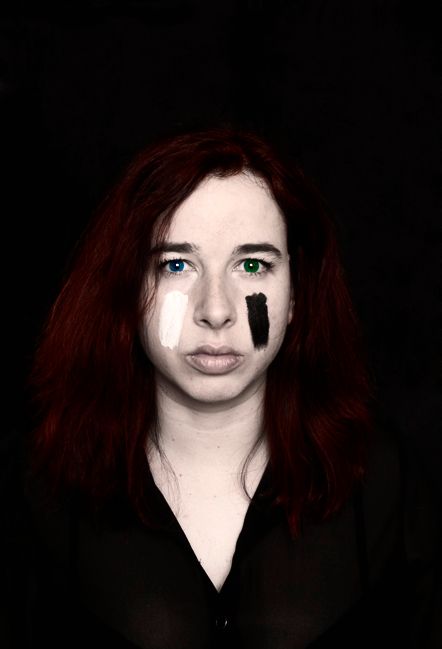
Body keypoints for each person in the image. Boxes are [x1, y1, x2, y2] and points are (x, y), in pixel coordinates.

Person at [2, 128, 439, 648]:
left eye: (252, 265)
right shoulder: (37, 487)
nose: (216, 310)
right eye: (177, 265)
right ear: (128, 287)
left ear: (296, 295)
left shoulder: (383, 482)